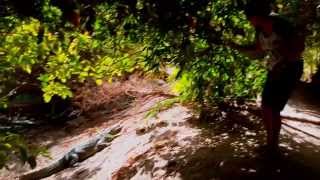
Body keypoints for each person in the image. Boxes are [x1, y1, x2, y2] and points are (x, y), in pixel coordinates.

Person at [229, 0, 305, 154]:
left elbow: (299, 48)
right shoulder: (259, 30)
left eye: (249, 17)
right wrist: (236, 46)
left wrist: (283, 61)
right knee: (266, 106)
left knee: (273, 108)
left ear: (257, 16)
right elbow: (258, 50)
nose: (248, 21)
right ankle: (270, 144)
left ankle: (273, 146)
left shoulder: (281, 24)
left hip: (290, 69)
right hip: (275, 68)